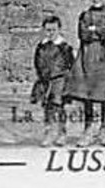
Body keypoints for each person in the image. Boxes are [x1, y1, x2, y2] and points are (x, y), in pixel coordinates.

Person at [71, 0, 105, 146]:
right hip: (87, 58)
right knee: (88, 96)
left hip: (104, 58)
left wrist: (95, 30)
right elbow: (83, 34)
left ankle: (104, 130)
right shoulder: (85, 16)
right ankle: (88, 129)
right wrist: (99, 31)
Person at [30, 14, 75, 145]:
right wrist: (41, 75)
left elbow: (70, 63)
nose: (50, 33)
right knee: (47, 107)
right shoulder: (41, 46)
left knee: (59, 106)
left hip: (59, 80)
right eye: (48, 30)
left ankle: (62, 133)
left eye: (53, 30)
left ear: (59, 30)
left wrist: (65, 79)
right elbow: (37, 61)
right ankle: (49, 132)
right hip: (45, 80)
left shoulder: (64, 47)